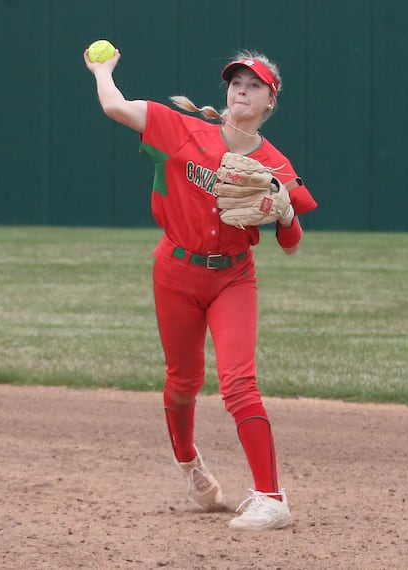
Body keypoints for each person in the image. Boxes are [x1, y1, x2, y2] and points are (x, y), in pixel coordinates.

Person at [84, 47, 317, 530]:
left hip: (233, 276)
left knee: (238, 382)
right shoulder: (183, 129)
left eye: (253, 86)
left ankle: (271, 497)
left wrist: (285, 211)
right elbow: (115, 107)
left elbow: (291, 244)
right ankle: (189, 464)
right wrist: (102, 72)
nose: (241, 91)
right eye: (236, 83)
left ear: (270, 101)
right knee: (183, 379)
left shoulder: (276, 165)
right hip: (175, 272)